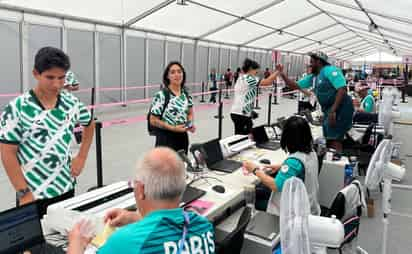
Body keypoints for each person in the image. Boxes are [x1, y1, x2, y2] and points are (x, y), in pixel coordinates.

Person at [0, 47, 95, 216]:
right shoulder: (17, 108)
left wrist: (81, 157)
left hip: (66, 187)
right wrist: (23, 192)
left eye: (61, 78)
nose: (57, 84)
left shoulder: (71, 103)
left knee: (65, 237)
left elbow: (90, 124)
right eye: (50, 77)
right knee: (34, 241)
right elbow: (7, 153)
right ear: (36, 73)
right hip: (33, 193)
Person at [67, 147, 215, 254]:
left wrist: (75, 246)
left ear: (141, 190)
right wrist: (134, 217)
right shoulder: (203, 226)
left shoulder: (126, 241)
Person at [276, 52, 354, 152]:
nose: (310, 64)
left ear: (319, 62)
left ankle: (336, 161)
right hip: (330, 110)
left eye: (312, 62)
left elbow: (342, 89)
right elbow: (294, 85)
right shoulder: (314, 77)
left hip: (340, 109)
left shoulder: (330, 70)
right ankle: (331, 159)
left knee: (334, 139)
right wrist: (282, 73)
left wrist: (333, 111)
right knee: (329, 137)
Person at [243, 116, 320, 216]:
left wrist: (255, 170)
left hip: (293, 214)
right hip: (309, 206)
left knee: (252, 200)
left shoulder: (293, 162)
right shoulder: (311, 152)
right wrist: (281, 167)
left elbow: (275, 186)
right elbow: (303, 169)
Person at [149, 62, 195, 154]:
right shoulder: (161, 95)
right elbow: (153, 120)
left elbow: (189, 112)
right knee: (165, 167)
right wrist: (173, 128)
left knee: (181, 165)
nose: (177, 75)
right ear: (167, 76)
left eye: (179, 71)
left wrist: (189, 125)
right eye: (173, 72)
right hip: (165, 139)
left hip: (182, 137)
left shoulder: (186, 94)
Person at [230, 58, 281, 135]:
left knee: (240, 134)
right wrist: (278, 71)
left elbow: (244, 95)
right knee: (244, 136)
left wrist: (250, 111)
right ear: (250, 69)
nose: (256, 73)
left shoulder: (241, 78)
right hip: (241, 113)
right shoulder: (248, 78)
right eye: (256, 71)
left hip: (237, 111)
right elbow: (267, 82)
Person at [64, 70, 82, 144]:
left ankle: (79, 137)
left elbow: (77, 86)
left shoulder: (70, 73)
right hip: (55, 101)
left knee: (74, 119)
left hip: (68, 101)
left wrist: (71, 88)